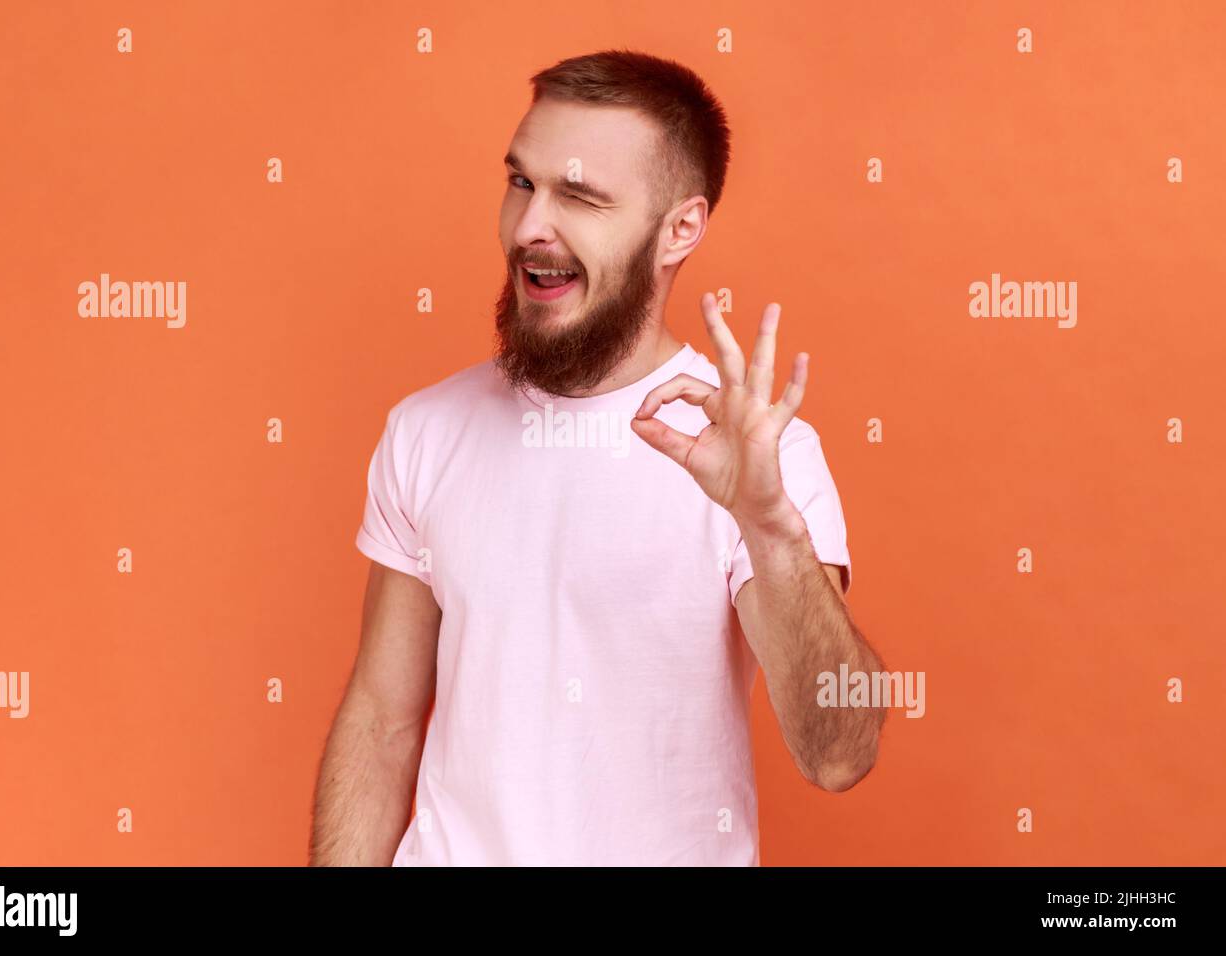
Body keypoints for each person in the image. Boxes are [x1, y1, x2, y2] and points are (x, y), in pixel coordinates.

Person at [311, 48, 884, 866]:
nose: (530, 227)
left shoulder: (762, 456)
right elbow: (381, 719)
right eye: (521, 183)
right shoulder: (425, 430)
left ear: (679, 228)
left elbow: (838, 755)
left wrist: (769, 527)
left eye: (578, 195)